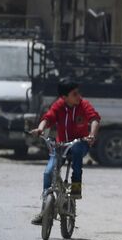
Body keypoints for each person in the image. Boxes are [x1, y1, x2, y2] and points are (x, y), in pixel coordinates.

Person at [28, 81, 100, 224]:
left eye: (78, 93)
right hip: (61, 146)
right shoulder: (59, 105)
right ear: (64, 97)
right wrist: (40, 129)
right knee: (49, 173)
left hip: (79, 143)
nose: (78, 96)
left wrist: (92, 135)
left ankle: (76, 185)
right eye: (74, 94)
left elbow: (94, 119)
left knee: (77, 149)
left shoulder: (83, 104)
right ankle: (44, 210)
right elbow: (48, 118)